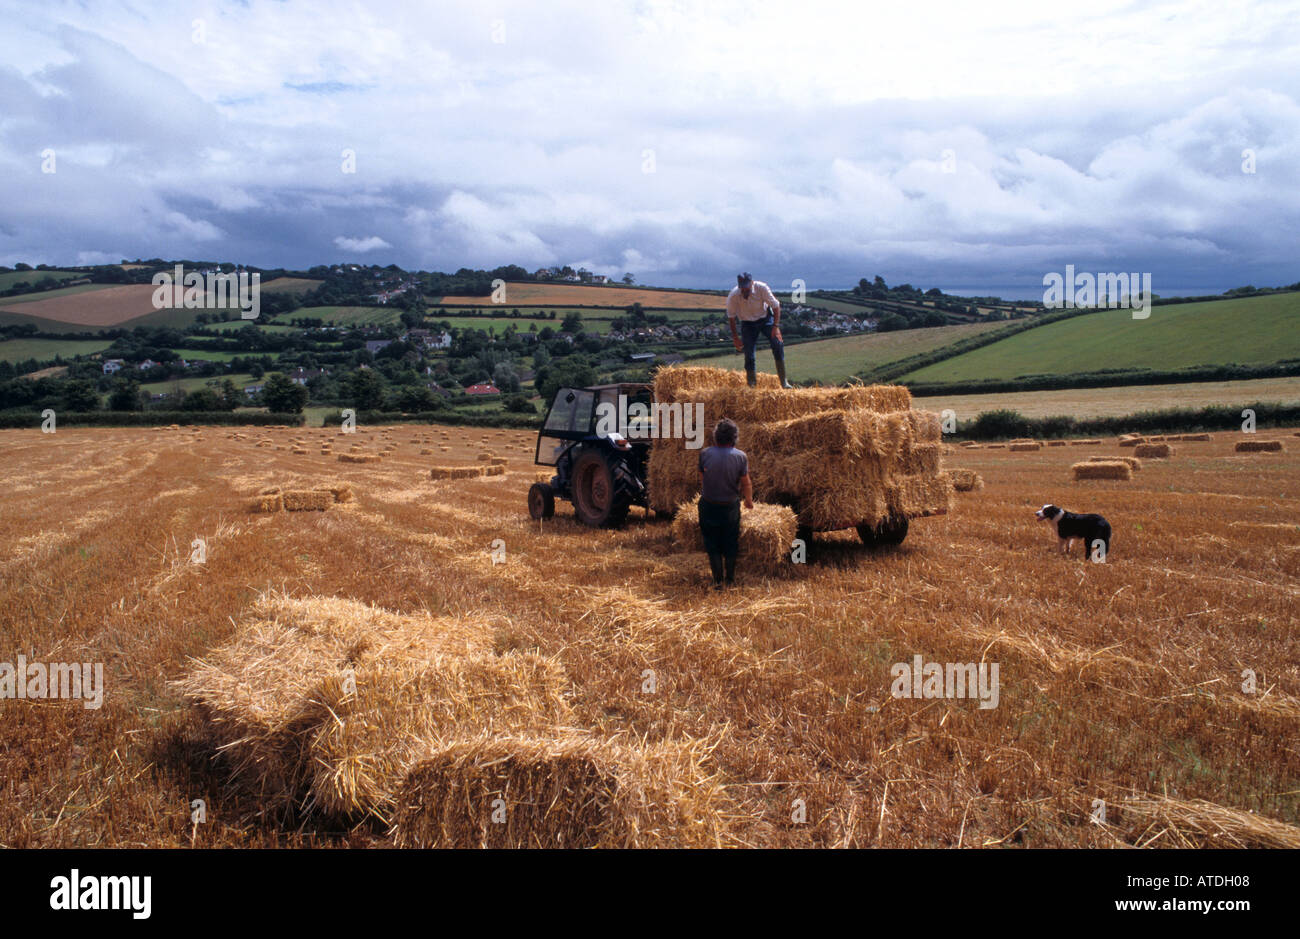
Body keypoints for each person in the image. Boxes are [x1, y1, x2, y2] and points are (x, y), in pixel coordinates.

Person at [697, 418, 753, 589]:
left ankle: (717, 580)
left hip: (708, 504)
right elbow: (746, 483)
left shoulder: (705, 454)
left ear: (716, 437)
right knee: (730, 542)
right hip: (729, 507)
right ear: (734, 437)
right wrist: (748, 500)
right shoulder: (740, 457)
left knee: (711, 542)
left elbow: (702, 478)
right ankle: (730, 579)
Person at [726, 271, 790, 388]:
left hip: (765, 319)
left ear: (752, 283)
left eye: (747, 287)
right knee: (749, 354)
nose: (745, 290)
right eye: (742, 288)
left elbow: (776, 306)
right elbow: (731, 317)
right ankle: (752, 386)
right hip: (747, 324)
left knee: (777, 344)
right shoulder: (733, 296)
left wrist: (776, 327)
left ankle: (784, 382)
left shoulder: (762, 288)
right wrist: (735, 338)